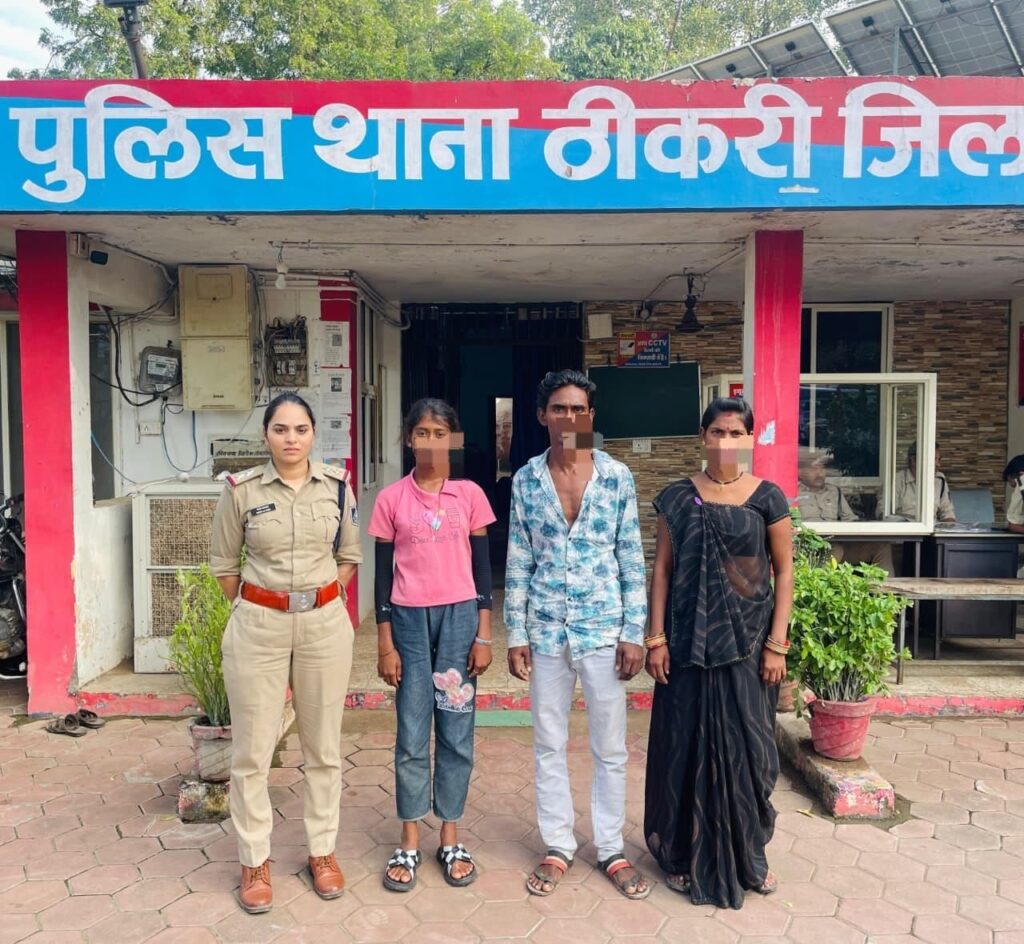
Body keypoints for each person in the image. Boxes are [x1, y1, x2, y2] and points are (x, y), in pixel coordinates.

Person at [209, 393, 361, 914]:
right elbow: (224, 565)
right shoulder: (241, 491)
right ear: (266, 435)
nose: (291, 438)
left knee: (323, 749)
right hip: (259, 626)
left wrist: (317, 602)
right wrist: (265, 606)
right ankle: (254, 860)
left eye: (300, 429)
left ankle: (322, 851)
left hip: (323, 626)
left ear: (313, 434)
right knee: (252, 752)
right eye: (280, 429)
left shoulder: (338, 486)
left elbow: (349, 555)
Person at [505, 369, 651, 901]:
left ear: (591, 416)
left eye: (579, 409)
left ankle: (610, 847)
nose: (569, 417)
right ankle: (558, 844)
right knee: (549, 742)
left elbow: (630, 556)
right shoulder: (526, 480)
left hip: (604, 629)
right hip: (546, 628)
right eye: (559, 408)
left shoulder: (616, 477)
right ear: (542, 415)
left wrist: (634, 631)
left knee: (610, 747)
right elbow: (519, 559)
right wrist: (515, 631)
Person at [644, 397, 794, 910]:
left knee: (751, 752)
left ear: (749, 439)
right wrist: (656, 638)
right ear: (702, 435)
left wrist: (776, 644)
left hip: (748, 648)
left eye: (736, 433)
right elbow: (662, 570)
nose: (726, 442)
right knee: (683, 747)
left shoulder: (767, 498)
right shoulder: (677, 497)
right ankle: (683, 853)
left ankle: (749, 856)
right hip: (688, 644)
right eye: (717, 432)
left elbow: (783, 572)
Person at [369, 399, 496, 892]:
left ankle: (449, 834)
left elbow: (482, 570)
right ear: (408, 439)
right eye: (421, 432)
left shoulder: (470, 496)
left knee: (456, 730)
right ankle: (408, 838)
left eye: (440, 433)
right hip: (409, 623)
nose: (430, 441)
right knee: (411, 729)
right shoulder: (391, 499)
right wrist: (385, 642)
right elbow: (382, 578)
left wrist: (483, 634)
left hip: (460, 622)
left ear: (454, 440)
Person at [798, 447, 892, 573]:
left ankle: (887, 586)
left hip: (836, 542)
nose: (819, 473)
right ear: (800, 472)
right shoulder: (794, 493)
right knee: (835, 550)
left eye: (822, 468)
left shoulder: (834, 491)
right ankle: (817, 583)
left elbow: (850, 520)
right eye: (813, 468)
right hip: (807, 547)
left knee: (881, 546)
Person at [893, 442, 955, 522]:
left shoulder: (939, 479)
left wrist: (949, 524)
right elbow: (884, 514)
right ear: (914, 460)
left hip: (931, 528)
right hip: (904, 528)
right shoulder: (897, 480)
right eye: (934, 459)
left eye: (939, 459)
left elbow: (947, 512)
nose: (938, 464)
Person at [1003, 454, 1024, 533]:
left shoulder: (1021, 482)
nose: (1011, 485)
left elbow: (1014, 523)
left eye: (1009, 481)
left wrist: (1012, 526)